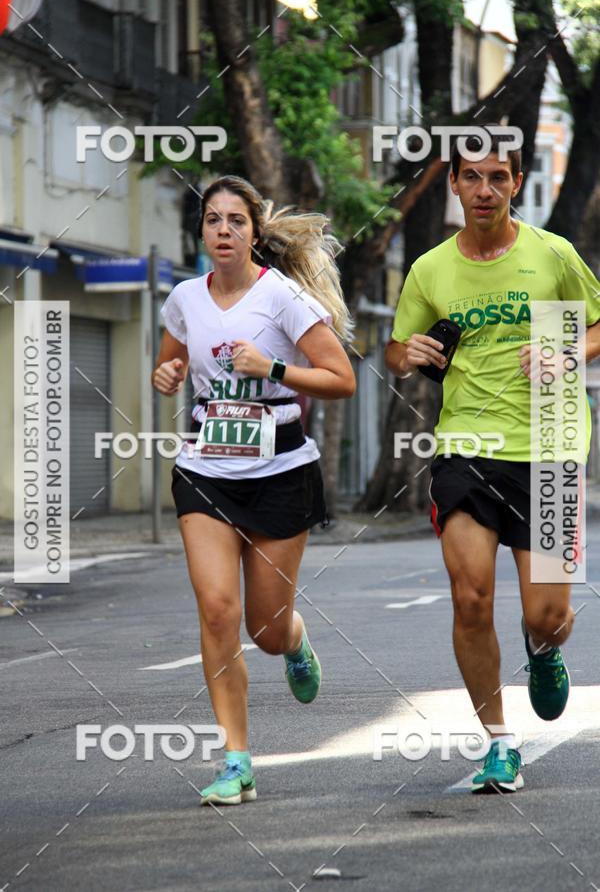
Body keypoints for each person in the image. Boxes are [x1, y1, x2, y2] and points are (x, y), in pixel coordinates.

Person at [385, 129, 600, 792]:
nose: (485, 190)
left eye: (498, 177)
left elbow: (597, 324)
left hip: (553, 446)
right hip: (466, 448)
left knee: (547, 615)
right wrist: (411, 354)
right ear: (453, 183)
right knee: (470, 596)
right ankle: (500, 741)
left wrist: (568, 354)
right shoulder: (430, 270)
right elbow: (397, 349)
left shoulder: (553, 254)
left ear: (515, 182)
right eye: (472, 177)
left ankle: (543, 650)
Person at [152, 175, 355, 805]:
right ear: (202, 231)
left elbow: (340, 377)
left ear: (253, 231)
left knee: (263, 628)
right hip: (206, 469)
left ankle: (293, 641)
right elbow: (174, 359)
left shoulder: (284, 298)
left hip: (280, 471)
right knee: (216, 610)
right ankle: (236, 759)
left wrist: (269, 367)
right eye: (213, 220)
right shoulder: (186, 297)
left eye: (235, 220)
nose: (223, 231)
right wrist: (167, 373)